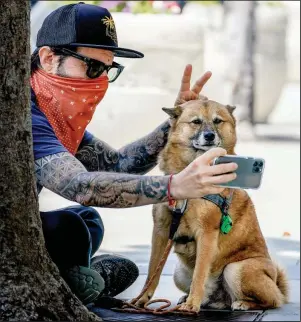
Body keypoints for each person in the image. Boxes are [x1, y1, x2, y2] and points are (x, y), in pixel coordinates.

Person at [30, 2, 238, 305]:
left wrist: (178, 121)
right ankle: (67, 285)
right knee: (71, 228)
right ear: (49, 58)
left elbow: (117, 166)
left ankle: (70, 281)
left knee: (88, 222)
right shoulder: (25, 116)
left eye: (108, 69)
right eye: (93, 67)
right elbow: (81, 186)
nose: (100, 81)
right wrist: (173, 187)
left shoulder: (58, 116)